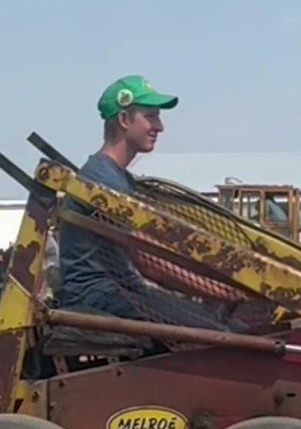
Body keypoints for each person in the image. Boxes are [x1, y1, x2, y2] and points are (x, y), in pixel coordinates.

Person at [56, 75, 246, 333]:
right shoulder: (104, 182)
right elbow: (149, 261)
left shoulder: (116, 177)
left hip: (122, 289)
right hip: (99, 294)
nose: (160, 126)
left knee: (225, 324)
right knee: (221, 333)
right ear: (124, 120)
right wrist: (222, 290)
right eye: (151, 116)